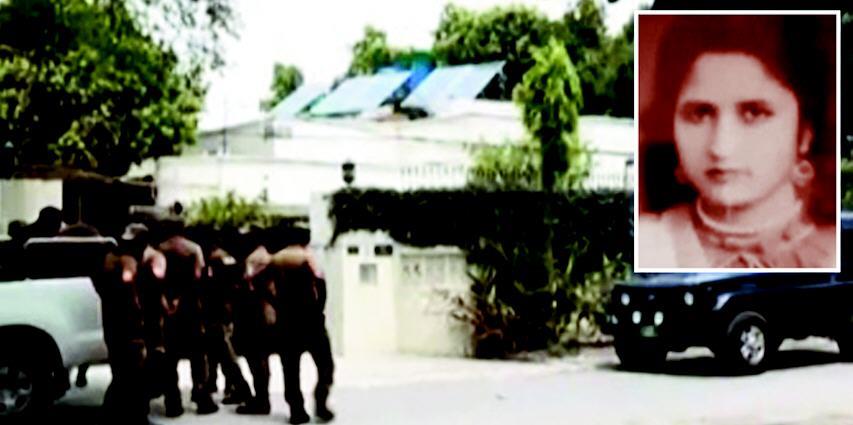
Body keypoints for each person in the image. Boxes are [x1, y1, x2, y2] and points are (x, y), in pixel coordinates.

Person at [637, 14, 837, 269]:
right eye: (700, 113)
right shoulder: (646, 246)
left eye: (754, 113)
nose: (721, 147)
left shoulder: (837, 252)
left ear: (805, 133)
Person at [244, 228, 335, 424]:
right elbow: (321, 283)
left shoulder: (276, 259)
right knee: (325, 365)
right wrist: (319, 308)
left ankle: (297, 409)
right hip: (311, 319)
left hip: (287, 319)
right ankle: (321, 402)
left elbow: (256, 281)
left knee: (291, 369)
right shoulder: (307, 257)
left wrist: (276, 302)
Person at [92, 223, 165, 425]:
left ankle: (123, 413)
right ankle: (135, 415)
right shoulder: (126, 263)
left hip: (117, 327)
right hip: (128, 328)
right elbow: (135, 298)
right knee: (131, 374)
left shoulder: (112, 261)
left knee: (124, 374)